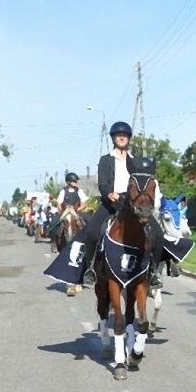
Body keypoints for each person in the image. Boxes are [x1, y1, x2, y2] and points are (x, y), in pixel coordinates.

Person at [79, 121, 144, 286]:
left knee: (156, 233)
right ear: (114, 138)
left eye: (124, 135)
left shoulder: (136, 161)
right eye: (118, 135)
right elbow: (103, 184)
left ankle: (155, 271)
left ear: (128, 138)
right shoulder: (106, 160)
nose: (122, 137)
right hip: (112, 202)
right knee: (92, 232)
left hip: (133, 204)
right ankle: (91, 269)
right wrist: (109, 194)